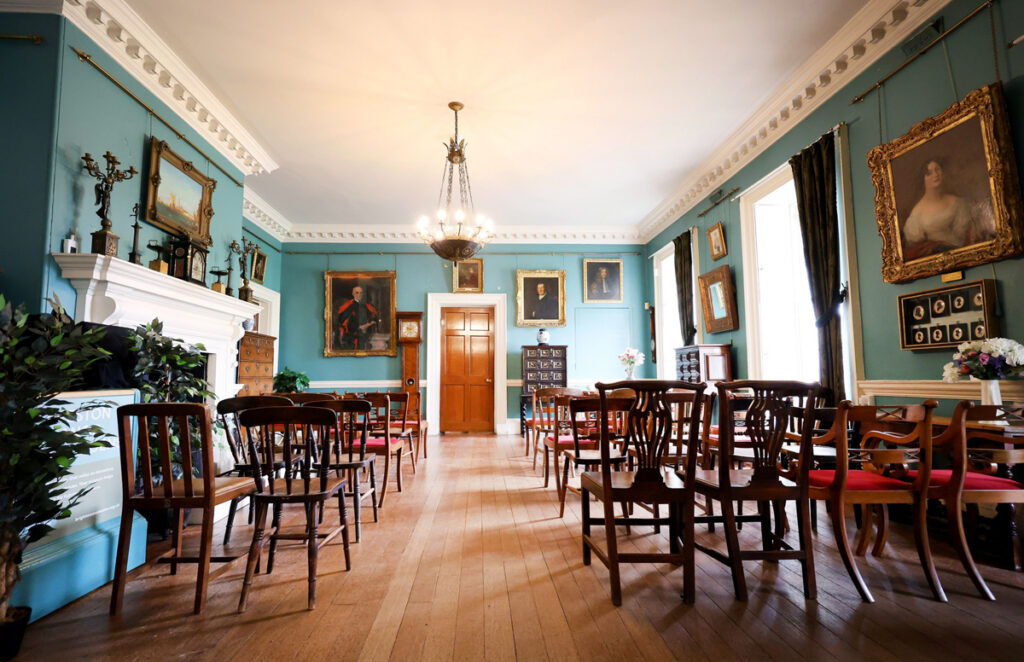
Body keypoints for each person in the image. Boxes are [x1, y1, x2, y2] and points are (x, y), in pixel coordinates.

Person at [901, 158, 995, 261]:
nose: (935, 175)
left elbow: (963, 239)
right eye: (929, 173)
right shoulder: (917, 212)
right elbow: (916, 246)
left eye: (937, 169)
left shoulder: (958, 203)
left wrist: (942, 243)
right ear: (923, 180)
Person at [337, 285, 379, 350]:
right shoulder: (349, 305)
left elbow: (373, 316)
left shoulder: (366, 306)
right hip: (352, 337)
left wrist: (370, 323)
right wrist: (358, 327)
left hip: (365, 336)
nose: (359, 294)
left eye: (361, 293)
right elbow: (342, 320)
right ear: (353, 294)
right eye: (357, 292)